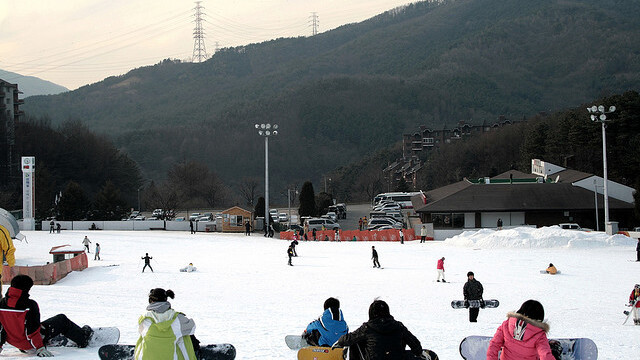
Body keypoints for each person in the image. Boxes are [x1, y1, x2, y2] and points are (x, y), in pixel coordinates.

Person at [0, 275, 94, 356]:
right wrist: (40, 348)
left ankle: (37, 343)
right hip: (29, 343)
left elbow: (1, 329)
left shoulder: (1, 304)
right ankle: (83, 338)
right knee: (61, 319)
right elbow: (32, 330)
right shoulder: (30, 305)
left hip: (16, 342)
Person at [334, 299, 423, 360]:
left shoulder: (367, 328)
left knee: (355, 342)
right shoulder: (398, 326)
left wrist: (340, 341)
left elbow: (348, 339)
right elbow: (416, 345)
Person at [135, 288, 199, 360]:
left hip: (146, 357)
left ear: (151, 301)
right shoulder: (177, 319)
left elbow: (141, 331)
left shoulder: (145, 319)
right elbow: (192, 328)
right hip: (170, 357)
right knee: (184, 335)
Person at [487, 299, 555, 360]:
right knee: (549, 350)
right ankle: (554, 348)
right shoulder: (539, 335)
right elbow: (545, 356)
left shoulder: (506, 325)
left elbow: (494, 345)